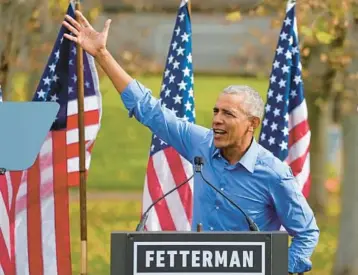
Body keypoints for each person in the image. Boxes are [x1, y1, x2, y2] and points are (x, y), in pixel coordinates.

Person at [62, 11, 319, 274]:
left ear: (252, 124)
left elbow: (307, 233)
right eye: (216, 111)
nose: (217, 120)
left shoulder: (274, 174)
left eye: (228, 114)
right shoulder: (202, 145)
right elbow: (150, 111)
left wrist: (279, 269)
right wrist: (102, 54)